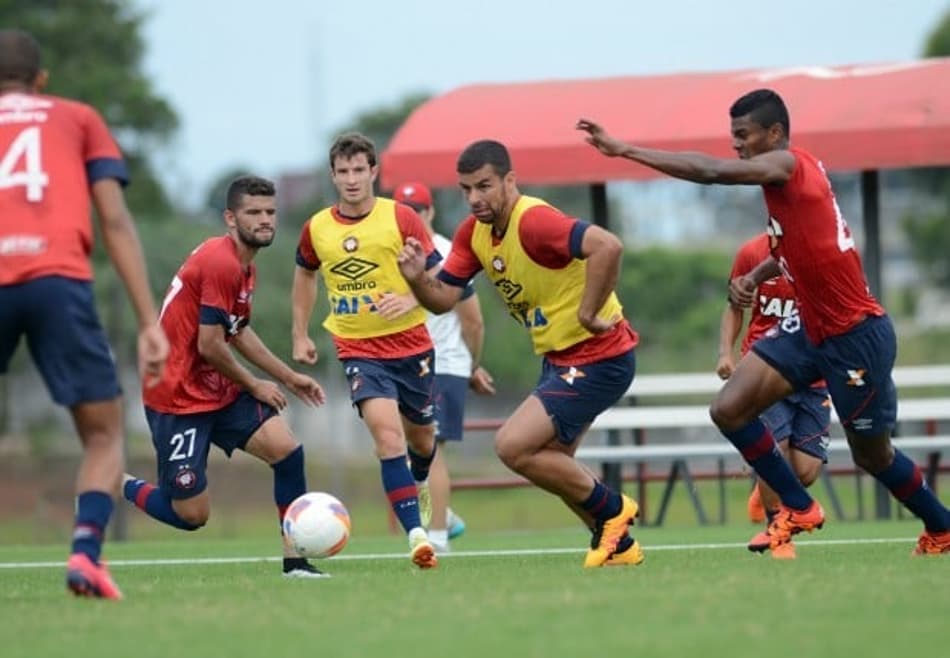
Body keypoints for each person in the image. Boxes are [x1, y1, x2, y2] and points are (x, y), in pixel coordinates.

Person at [578, 88, 950, 558]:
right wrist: (755, 275)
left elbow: (711, 172)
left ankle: (942, 527)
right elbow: (799, 247)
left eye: (743, 135)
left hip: (856, 335)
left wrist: (625, 150)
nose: (736, 145)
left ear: (774, 134)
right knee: (728, 409)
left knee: (872, 455)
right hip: (810, 327)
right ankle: (797, 507)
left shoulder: (788, 164)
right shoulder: (791, 179)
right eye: (732, 135)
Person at [397, 140, 644, 568]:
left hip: (599, 354)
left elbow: (609, 246)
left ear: (510, 181)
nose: (475, 198)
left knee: (512, 446)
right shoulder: (473, 233)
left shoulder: (534, 222)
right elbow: (443, 300)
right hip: (561, 359)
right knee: (554, 463)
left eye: (484, 186)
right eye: (466, 189)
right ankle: (619, 548)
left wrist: (588, 311)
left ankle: (612, 508)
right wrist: (418, 279)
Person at [0, 30, 168, 600]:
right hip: (58, 279)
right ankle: (85, 555)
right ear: (41, 80)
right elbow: (116, 222)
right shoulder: (77, 117)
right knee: (102, 433)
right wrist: (149, 320)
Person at [121, 176, 330, 578]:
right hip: (177, 395)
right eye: (254, 213)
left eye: (270, 212)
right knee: (191, 516)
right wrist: (256, 385)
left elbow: (237, 332)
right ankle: (120, 482)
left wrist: (288, 376)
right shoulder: (221, 262)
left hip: (216, 386)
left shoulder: (243, 267)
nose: (265, 220)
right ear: (230, 218)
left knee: (286, 450)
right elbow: (210, 346)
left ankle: (295, 561)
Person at [291, 133, 440, 569]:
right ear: (333, 176)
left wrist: (411, 299)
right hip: (358, 348)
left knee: (422, 438)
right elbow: (304, 276)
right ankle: (416, 535)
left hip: (412, 346)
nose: (352, 179)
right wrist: (300, 333)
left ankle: (422, 478)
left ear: (373, 172)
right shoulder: (317, 227)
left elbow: (438, 275)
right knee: (386, 436)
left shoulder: (402, 218)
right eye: (343, 172)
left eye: (360, 170)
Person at [393, 181, 496, 552]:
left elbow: (473, 321)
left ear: (430, 212)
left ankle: (436, 538)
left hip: (444, 362)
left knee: (432, 449)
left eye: (419, 210)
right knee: (402, 451)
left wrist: (471, 367)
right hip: (404, 362)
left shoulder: (448, 253)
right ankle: (444, 516)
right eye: (407, 211)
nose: (414, 217)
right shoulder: (391, 249)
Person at [717, 232, 830, 552]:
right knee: (773, 450)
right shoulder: (751, 253)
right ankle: (777, 532)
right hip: (765, 367)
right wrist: (725, 353)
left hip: (813, 372)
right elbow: (734, 307)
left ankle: (764, 484)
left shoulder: (823, 250)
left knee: (806, 472)